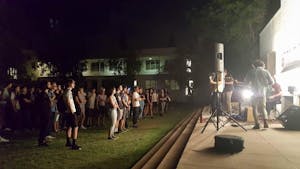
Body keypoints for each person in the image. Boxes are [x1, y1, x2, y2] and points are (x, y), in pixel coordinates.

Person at [245, 60, 274, 129]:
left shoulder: (251, 72)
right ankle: (265, 123)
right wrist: (265, 85)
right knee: (263, 107)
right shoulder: (266, 71)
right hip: (263, 92)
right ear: (262, 65)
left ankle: (257, 124)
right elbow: (272, 82)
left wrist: (250, 85)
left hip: (254, 92)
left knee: (254, 108)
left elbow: (246, 82)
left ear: (254, 65)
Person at [64, 79, 81, 150]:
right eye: (73, 83)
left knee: (70, 126)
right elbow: (68, 102)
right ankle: (74, 144)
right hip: (71, 112)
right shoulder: (68, 91)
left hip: (69, 112)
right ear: (70, 84)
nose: (74, 84)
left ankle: (68, 141)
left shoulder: (68, 91)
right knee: (75, 127)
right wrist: (72, 111)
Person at [37, 82, 52, 146]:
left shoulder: (44, 94)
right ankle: (42, 140)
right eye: (48, 84)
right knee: (44, 127)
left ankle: (42, 140)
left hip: (45, 112)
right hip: (44, 113)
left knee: (44, 127)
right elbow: (44, 104)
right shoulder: (43, 94)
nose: (50, 85)